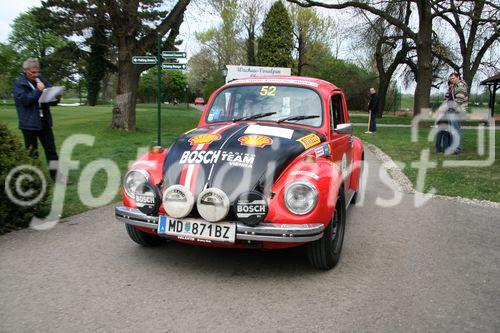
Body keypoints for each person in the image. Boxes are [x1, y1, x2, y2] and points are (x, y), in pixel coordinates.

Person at [13, 58, 69, 183]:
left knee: (51, 151)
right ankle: (34, 179)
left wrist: (57, 97)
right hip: (29, 123)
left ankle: (57, 177)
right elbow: (24, 101)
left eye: (37, 72)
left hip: (44, 121)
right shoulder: (19, 84)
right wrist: (38, 90)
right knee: (32, 153)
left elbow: (50, 98)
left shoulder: (41, 79)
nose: (36, 75)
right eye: (33, 72)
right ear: (26, 71)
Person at [448, 72, 468, 154]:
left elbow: (459, 100)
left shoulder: (460, 86)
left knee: (456, 130)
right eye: (451, 79)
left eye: (453, 78)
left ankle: (457, 149)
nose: (452, 80)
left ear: (458, 77)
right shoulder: (455, 86)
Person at [435, 80, 453, 153]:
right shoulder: (449, 95)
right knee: (445, 134)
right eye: (450, 85)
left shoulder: (447, 96)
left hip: (442, 118)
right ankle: (445, 149)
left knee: (441, 134)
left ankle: (438, 148)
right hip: (444, 119)